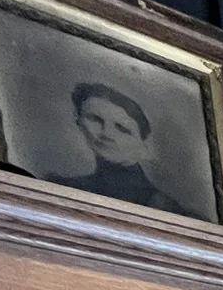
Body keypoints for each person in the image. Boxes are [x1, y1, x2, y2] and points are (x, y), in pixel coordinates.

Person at [50, 81, 202, 219]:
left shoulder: (168, 211)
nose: (106, 134)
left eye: (122, 129)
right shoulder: (62, 189)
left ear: (144, 143)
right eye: (95, 119)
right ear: (78, 120)